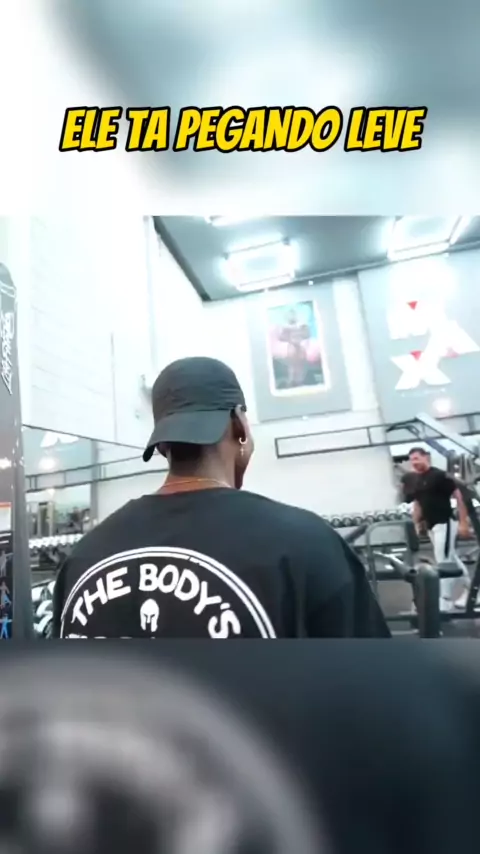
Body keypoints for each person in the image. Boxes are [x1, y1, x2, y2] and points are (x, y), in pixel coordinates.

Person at [52, 356, 390, 639]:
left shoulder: (83, 558)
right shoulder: (309, 548)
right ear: (240, 425)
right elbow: (373, 689)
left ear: (163, 445)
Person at [407, 446, 474, 611]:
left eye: (417, 458)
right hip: (431, 525)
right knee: (451, 559)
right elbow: (418, 503)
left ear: (426, 457)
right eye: (412, 460)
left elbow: (459, 497)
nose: (414, 462)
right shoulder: (417, 480)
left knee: (443, 562)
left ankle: (445, 600)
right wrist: (416, 524)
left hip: (445, 522)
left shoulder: (439, 475)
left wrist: (463, 522)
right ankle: (473, 590)